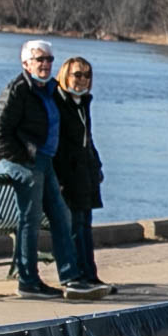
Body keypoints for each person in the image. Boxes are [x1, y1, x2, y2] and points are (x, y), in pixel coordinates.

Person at [0, 39, 104, 301]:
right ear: (25, 63)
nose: (45, 64)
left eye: (49, 59)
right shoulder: (17, 90)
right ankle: (28, 281)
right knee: (30, 220)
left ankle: (72, 278)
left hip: (46, 161)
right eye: (39, 59)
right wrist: (24, 157)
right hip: (26, 162)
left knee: (61, 216)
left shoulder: (50, 89)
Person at [54, 55, 110, 291]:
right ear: (65, 75)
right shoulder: (58, 101)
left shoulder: (83, 103)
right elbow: (58, 143)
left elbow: (87, 140)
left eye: (87, 75)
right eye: (77, 74)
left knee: (85, 225)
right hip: (67, 174)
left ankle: (90, 274)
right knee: (74, 226)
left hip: (85, 173)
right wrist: (59, 176)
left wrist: (96, 166)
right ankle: (75, 274)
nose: (83, 79)